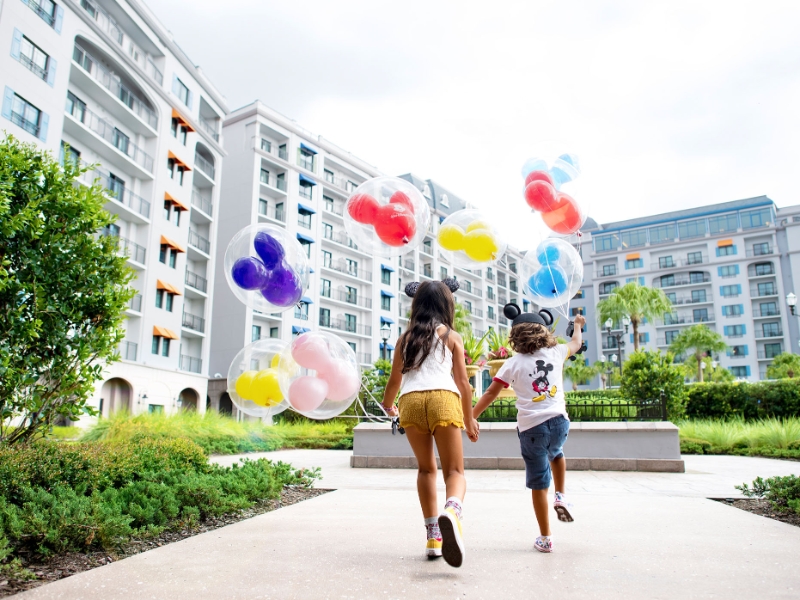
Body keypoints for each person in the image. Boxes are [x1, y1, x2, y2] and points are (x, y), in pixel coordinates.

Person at [382, 279, 480, 567]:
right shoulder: (451, 336)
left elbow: (394, 381)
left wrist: (389, 406)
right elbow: (464, 384)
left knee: (426, 469)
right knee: (455, 471)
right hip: (443, 399)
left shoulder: (405, 338)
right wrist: (470, 418)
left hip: (410, 403)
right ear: (446, 305)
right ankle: (452, 511)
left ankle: (433, 538)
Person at [473, 307, 585, 553]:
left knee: (537, 482)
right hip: (559, 423)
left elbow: (491, 393)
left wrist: (471, 417)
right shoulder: (556, 352)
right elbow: (576, 343)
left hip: (531, 428)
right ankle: (561, 495)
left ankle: (545, 538)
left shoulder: (513, 363)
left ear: (515, 337)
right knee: (556, 453)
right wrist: (577, 324)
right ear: (544, 332)